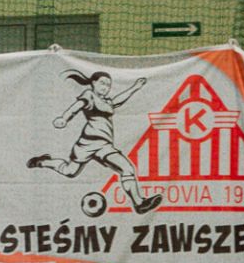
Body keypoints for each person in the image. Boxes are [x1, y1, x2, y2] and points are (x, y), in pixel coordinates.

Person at [27, 71, 161, 213]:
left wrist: (135, 87)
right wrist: (64, 118)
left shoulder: (107, 102)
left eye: (108, 85)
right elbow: (77, 106)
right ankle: (44, 161)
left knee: (127, 168)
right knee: (70, 172)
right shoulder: (89, 95)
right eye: (102, 83)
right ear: (93, 83)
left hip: (104, 146)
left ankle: (139, 204)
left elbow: (118, 100)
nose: (105, 87)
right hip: (87, 144)